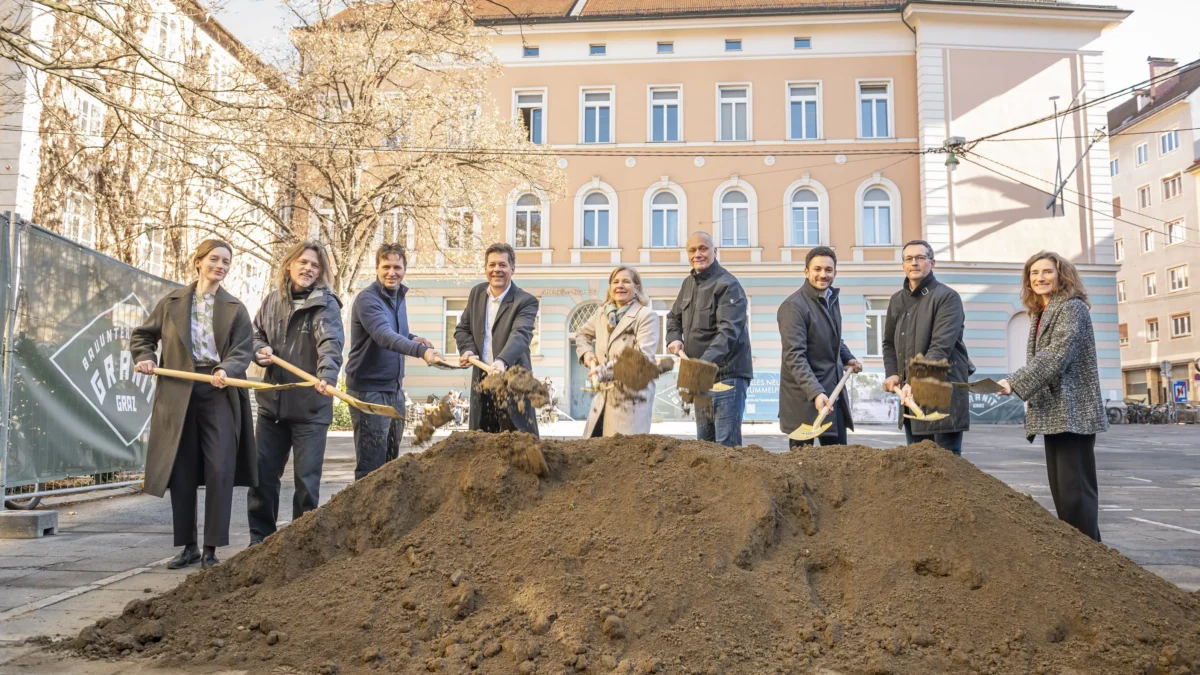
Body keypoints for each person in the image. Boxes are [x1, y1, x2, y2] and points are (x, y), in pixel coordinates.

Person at [131, 239, 256, 570]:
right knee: (182, 470)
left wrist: (226, 369)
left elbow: (242, 350)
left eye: (226, 261)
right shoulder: (171, 302)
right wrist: (145, 357)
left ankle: (211, 549)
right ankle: (189, 547)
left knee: (220, 468)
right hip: (178, 392)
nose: (220, 266)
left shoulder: (236, 308)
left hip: (219, 391)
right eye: (214, 259)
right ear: (197, 261)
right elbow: (143, 336)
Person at [998, 251, 1107, 541]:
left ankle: (1090, 554)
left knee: (1076, 495)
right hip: (1054, 412)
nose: (1040, 278)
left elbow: (1056, 356)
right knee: (1063, 495)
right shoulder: (1040, 312)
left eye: (1047, 271)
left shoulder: (1072, 308)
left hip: (1073, 412)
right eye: (1034, 273)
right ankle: (1078, 552)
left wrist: (1015, 382)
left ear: (1062, 275)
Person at [246, 240, 344, 545]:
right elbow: (255, 333)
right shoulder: (272, 300)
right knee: (262, 478)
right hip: (272, 407)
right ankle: (259, 541)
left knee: (306, 483)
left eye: (315, 265)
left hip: (311, 408)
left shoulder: (326, 305)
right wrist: (259, 350)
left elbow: (330, 344)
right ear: (290, 264)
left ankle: (301, 546)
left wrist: (327, 376)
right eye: (303, 262)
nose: (308, 268)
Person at [345, 243, 441, 481]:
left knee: (390, 464)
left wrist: (412, 338)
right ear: (376, 268)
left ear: (404, 269)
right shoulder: (368, 299)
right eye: (386, 266)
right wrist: (421, 351)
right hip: (369, 391)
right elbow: (383, 335)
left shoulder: (398, 296)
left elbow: (395, 331)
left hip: (394, 389)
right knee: (371, 469)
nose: (392, 272)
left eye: (397, 267)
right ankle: (366, 506)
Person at [882, 239, 974, 455]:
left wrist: (914, 381)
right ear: (903, 265)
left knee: (946, 464)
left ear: (932, 262)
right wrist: (893, 373)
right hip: (911, 396)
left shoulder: (947, 297)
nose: (914, 262)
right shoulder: (897, 300)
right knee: (917, 463)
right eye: (908, 259)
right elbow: (889, 343)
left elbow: (941, 347)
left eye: (920, 257)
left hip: (943, 393)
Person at [665, 232, 753, 447]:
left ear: (715, 251)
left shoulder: (728, 285)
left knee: (726, 447)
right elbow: (673, 317)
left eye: (703, 248)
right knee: (704, 446)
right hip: (701, 379)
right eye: (692, 250)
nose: (698, 254)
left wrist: (701, 365)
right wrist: (674, 338)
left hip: (727, 376)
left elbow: (728, 332)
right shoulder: (688, 284)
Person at [777, 246, 863, 448]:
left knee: (837, 460)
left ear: (835, 273)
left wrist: (848, 358)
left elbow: (834, 339)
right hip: (803, 399)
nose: (823, 275)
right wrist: (815, 392)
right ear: (806, 272)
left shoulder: (830, 299)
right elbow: (794, 357)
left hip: (833, 395)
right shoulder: (793, 307)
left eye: (828, 270)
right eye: (817, 269)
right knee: (801, 462)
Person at [455, 242, 540, 435]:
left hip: (513, 387)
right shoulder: (476, 294)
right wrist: (468, 350)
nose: (497, 270)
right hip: (482, 384)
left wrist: (502, 361)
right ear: (485, 268)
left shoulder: (525, 301)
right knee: (481, 443)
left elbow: (520, 335)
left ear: (512, 269)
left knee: (518, 445)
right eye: (492, 265)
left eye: (502, 265)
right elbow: (463, 329)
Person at [577, 265, 661, 437]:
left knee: (625, 451)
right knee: (595, 449)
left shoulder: (646, 316)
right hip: (603, 398)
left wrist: (603, 371)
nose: (620, 286)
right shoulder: (602, 313)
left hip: (630, 399)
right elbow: (582, 334)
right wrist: (587, 354)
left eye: (626, 282)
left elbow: (641, 359)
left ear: (637, 288)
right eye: (615, 282)